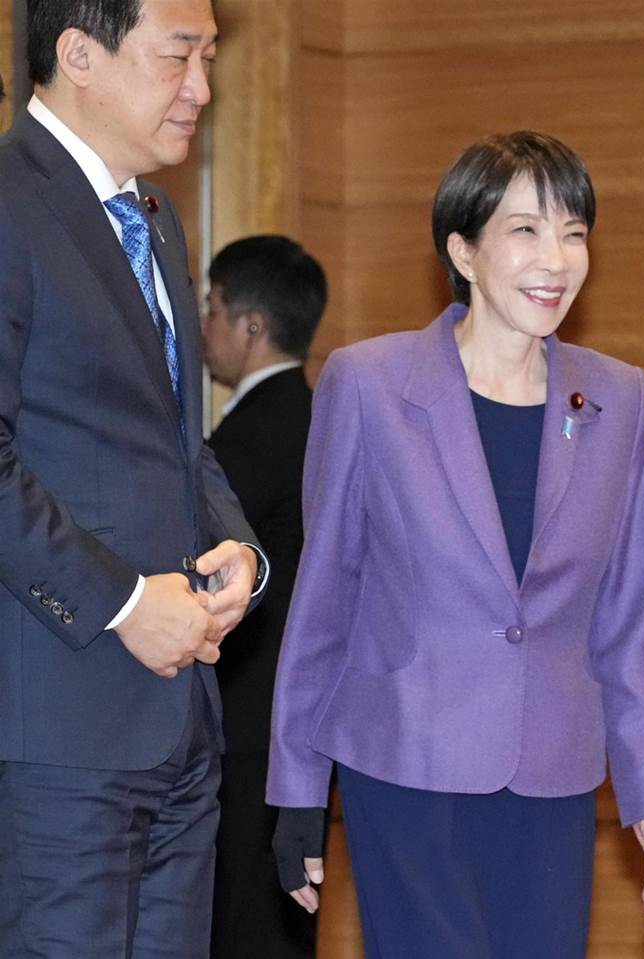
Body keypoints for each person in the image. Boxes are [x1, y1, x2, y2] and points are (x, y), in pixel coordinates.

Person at [267, 131, 644, 957]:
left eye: (573, 232)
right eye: (525, 230)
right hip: (405, 764)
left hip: (553, 774)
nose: (555, 259)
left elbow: (634, 623)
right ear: (462, 251)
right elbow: (325, 601)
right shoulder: (369, 384)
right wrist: (297, 784)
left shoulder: (623, 400)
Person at [0, 2, 266, 956]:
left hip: (179, 730)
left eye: (210, 58)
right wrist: (122, 602)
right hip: (57, 737)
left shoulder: (153, 219)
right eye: (177, 57)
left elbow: (176, 439)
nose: (202, 88)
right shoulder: (9, 203)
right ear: (78, 53)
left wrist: (237, 547)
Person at [203, 236, 327, 959]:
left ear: (251, 325)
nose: (204, 324)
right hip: (299, 722)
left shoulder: (254, 433)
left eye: (212, 307)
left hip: (250, 720)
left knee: (246, 926)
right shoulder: (316, 416)